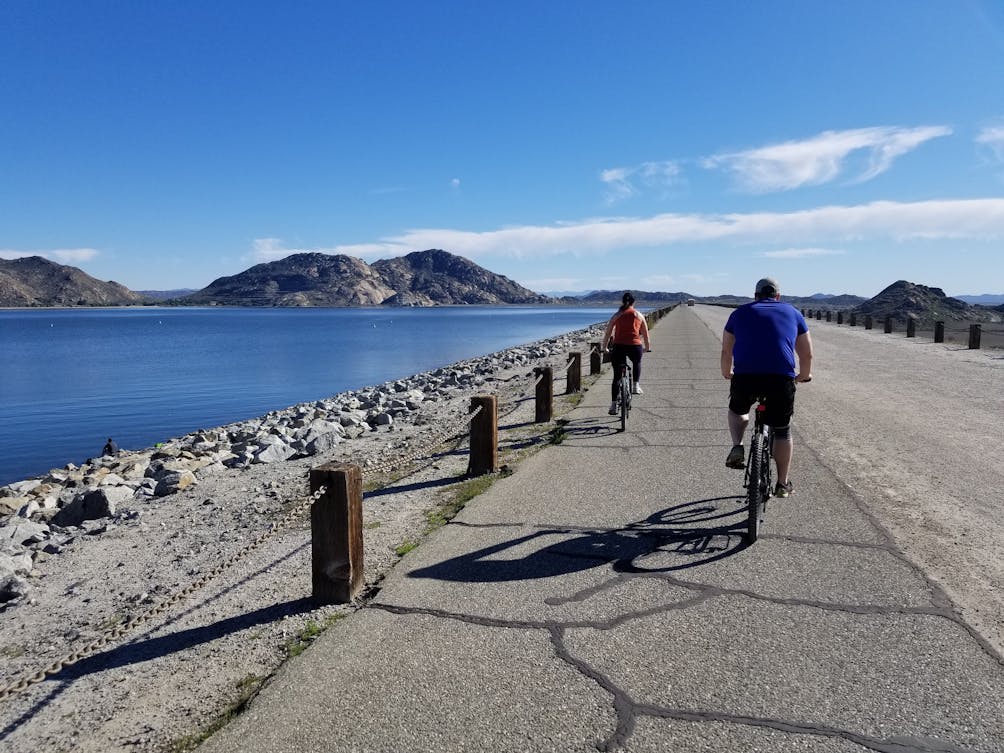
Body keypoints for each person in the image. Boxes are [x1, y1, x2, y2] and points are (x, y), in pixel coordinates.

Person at [721, 277, 813, 498]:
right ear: (778, 296)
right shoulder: (793, 313)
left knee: (738, 411)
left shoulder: (738, 314)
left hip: (745, 377)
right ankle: (782, 484)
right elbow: (806, 353)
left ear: (755, 296)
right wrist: (804, 375)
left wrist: (727, 372)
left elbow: (726, 352)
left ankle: (737, 445)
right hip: (780, 379)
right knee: (782, 430)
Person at [601, 292, 651, 415]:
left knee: (617, 376)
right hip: (635, 346)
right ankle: (635, 385)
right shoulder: (639, 315)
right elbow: (645, 334)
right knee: (637, 362)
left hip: (619, 347)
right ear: (634, 302)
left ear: (622, 302)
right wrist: (647, 347)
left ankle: (613, 405)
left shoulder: (617, 315)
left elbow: (608, 333)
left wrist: (604, 347)